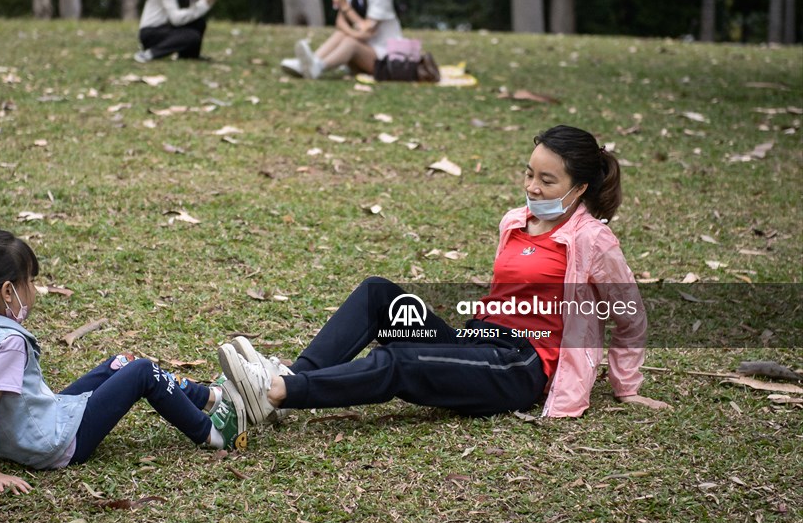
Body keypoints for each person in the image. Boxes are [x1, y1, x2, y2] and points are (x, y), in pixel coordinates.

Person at [219, 125, 670, 427]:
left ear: (581, 188)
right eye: (529, 174)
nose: (533, 187)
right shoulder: (515, 221)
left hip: (522, 366)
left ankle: (277, 391)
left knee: (402, 362)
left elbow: (629, 314)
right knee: (380, 295)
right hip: (480, 340)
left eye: (547, 181)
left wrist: (625, 387)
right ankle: (291, 374)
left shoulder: (593, 240)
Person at [0, 229, 247, 494]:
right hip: (56, 445)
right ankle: (214, 434)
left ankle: (213, 397)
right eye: (29, 282)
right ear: (7, 292)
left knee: (120, 363)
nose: (33, 290)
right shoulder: (9, 343)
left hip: (29, 431)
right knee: (141, 371)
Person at [282, 0, 403, 79]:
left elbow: (367, 28)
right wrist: (355, 33)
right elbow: (340, 22)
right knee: (343, 35)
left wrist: (345, 7)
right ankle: (309, 62)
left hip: (385, 58)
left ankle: (319, 66)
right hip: (367, 48)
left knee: (351, 42)